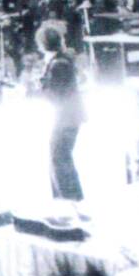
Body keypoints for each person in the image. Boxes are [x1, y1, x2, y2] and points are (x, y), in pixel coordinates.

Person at [37, 25, 85, 203]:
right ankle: (68, 200)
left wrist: (41, 86)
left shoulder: (58, 64)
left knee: (59, 160)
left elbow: (55, 94)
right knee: (60, 159)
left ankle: (70, 201)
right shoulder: (60, 60)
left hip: (66, 118)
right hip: (68, 117)